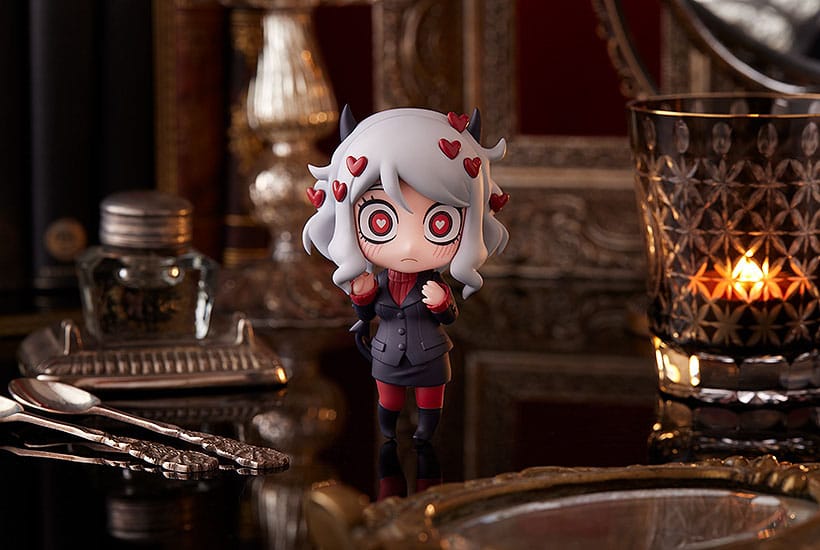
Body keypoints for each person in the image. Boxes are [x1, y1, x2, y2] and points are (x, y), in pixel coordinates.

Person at [302, 106, 509, 442]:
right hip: (386, 354)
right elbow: (365, 315)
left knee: (430, 403)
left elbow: (449, 317)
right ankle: (389, 433)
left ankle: (425, 435)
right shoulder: (378, 282)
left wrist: (441, 303)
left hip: (430, 355)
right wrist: (363, 297)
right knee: (388, 403)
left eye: (440, 223)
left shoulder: (435, 284)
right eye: (380, 221)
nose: (410, 245)